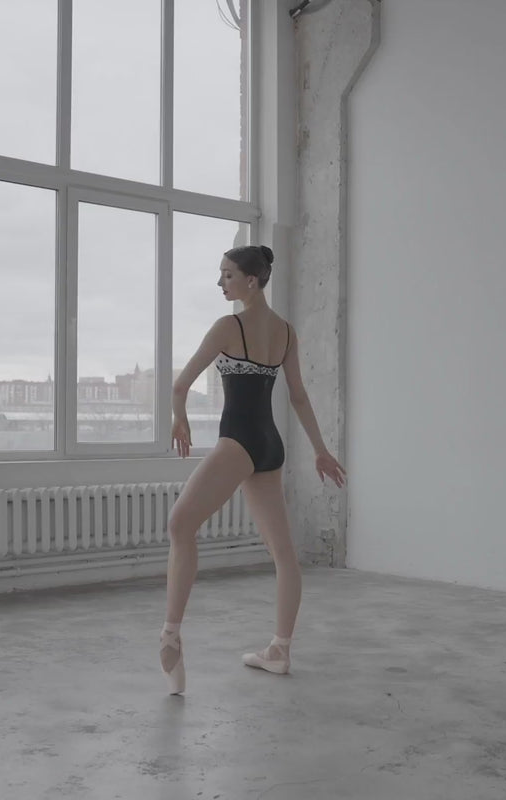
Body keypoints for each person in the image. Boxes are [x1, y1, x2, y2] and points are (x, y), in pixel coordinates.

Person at [160, 244, 346, 694]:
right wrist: (320, 450)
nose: (220, 282)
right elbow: (298, 396)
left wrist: (179, 417)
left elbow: (180, 384)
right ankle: (279, 650)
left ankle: (170, 636)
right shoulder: (286, 332)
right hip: (269, 445)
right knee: (284, 555)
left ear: (251, 280)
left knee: (180, 524)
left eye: (227, 275)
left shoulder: (229, 326)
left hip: (238, 442)